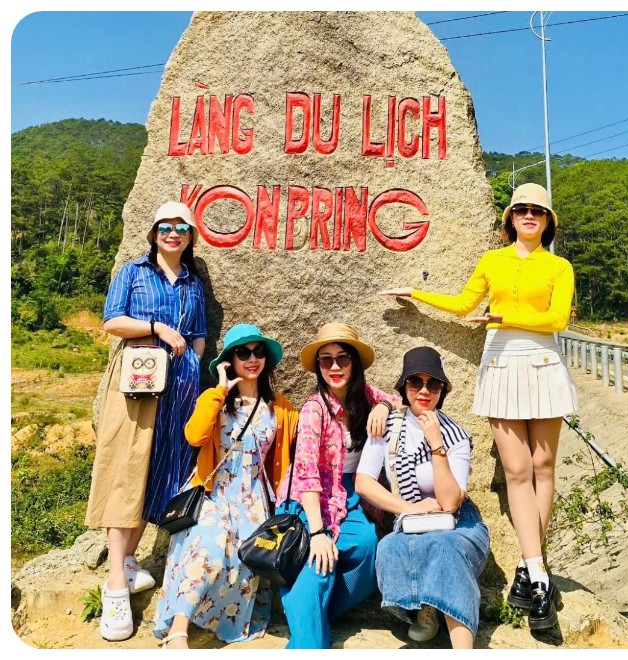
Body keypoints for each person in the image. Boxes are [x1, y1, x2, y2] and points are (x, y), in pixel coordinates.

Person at [379, 182, 577, 629]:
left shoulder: (559, 266)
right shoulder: (493, 260)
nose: (529, 216)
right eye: (522, 210)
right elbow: (465, 303)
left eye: (538, 212)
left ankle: (530, 568)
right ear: (510, 218)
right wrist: (416, 294)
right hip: (502, 363)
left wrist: (504, 318)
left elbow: (557, 318)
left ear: (547, 221)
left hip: (543, 361)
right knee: (518, 471)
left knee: (544, 467)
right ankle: (540, 576)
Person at [87, 200, 211, 641]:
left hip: (179, 391)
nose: (173, 233)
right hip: (138, 385)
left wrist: (194, 373)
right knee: (126, 471)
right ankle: (115, 588)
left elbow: (198, 336)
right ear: (154, 232)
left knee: (159, 474)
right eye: (165, 226)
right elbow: (112, 322)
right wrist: (157, 327)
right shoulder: (135, 271)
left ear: (191, 236)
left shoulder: (195, 283)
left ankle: (129, 560)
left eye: (182, 227)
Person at [153, 324, 298, 647]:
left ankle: (223, 620)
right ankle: (179, 628)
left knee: (247, 554)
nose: (252, 358)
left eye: (259, 351)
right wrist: (220, 390)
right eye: (242, 352)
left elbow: (293, 457)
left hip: (255, 498)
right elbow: (194, 435)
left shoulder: (282, 408)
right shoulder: (213, 398)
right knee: (211, 543)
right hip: (214, 492)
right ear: (228, 360)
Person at [279, 323, 400, 648]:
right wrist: (318, 533)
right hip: (310, 496)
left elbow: (397, 399)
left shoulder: (367, 396)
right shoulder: (313, 409)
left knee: (367, 549)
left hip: (351, 491)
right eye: (326, 360)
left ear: (355, 363)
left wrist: (383, 406)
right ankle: (308, 641)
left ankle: (307, 613)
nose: (334, 367)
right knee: (320, 563)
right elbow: (305, 472)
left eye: (342, 359)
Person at [359, 347, 487, 649]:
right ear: (404, 387)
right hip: (412, 521)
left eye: (434, 383)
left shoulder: (455, 434)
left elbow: (451, 502)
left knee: (443, 547)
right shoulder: (387, 425)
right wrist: (411, 508)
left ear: (442, 390)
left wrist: (435, 443)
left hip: (457, 524)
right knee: (390, 546)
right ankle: (426, 606)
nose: (424, 390)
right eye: (415, 382)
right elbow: (364, 482)